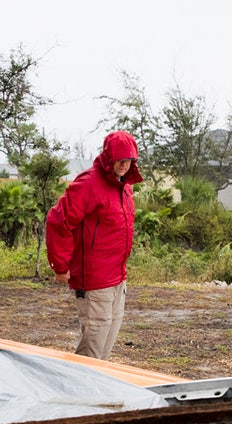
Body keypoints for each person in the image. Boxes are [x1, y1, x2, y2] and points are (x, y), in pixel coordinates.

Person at [45, 130, 142, 360]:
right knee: (93, 346)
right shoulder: (89, 184)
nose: (124, 164)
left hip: (118, 277)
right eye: (119, 159)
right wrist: (60, 266)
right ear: (108, 156)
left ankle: (96, 392)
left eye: (129, 160)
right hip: (94, 279)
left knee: (107, 340)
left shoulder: (124, 187)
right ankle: (76, 391)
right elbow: (58, 221)